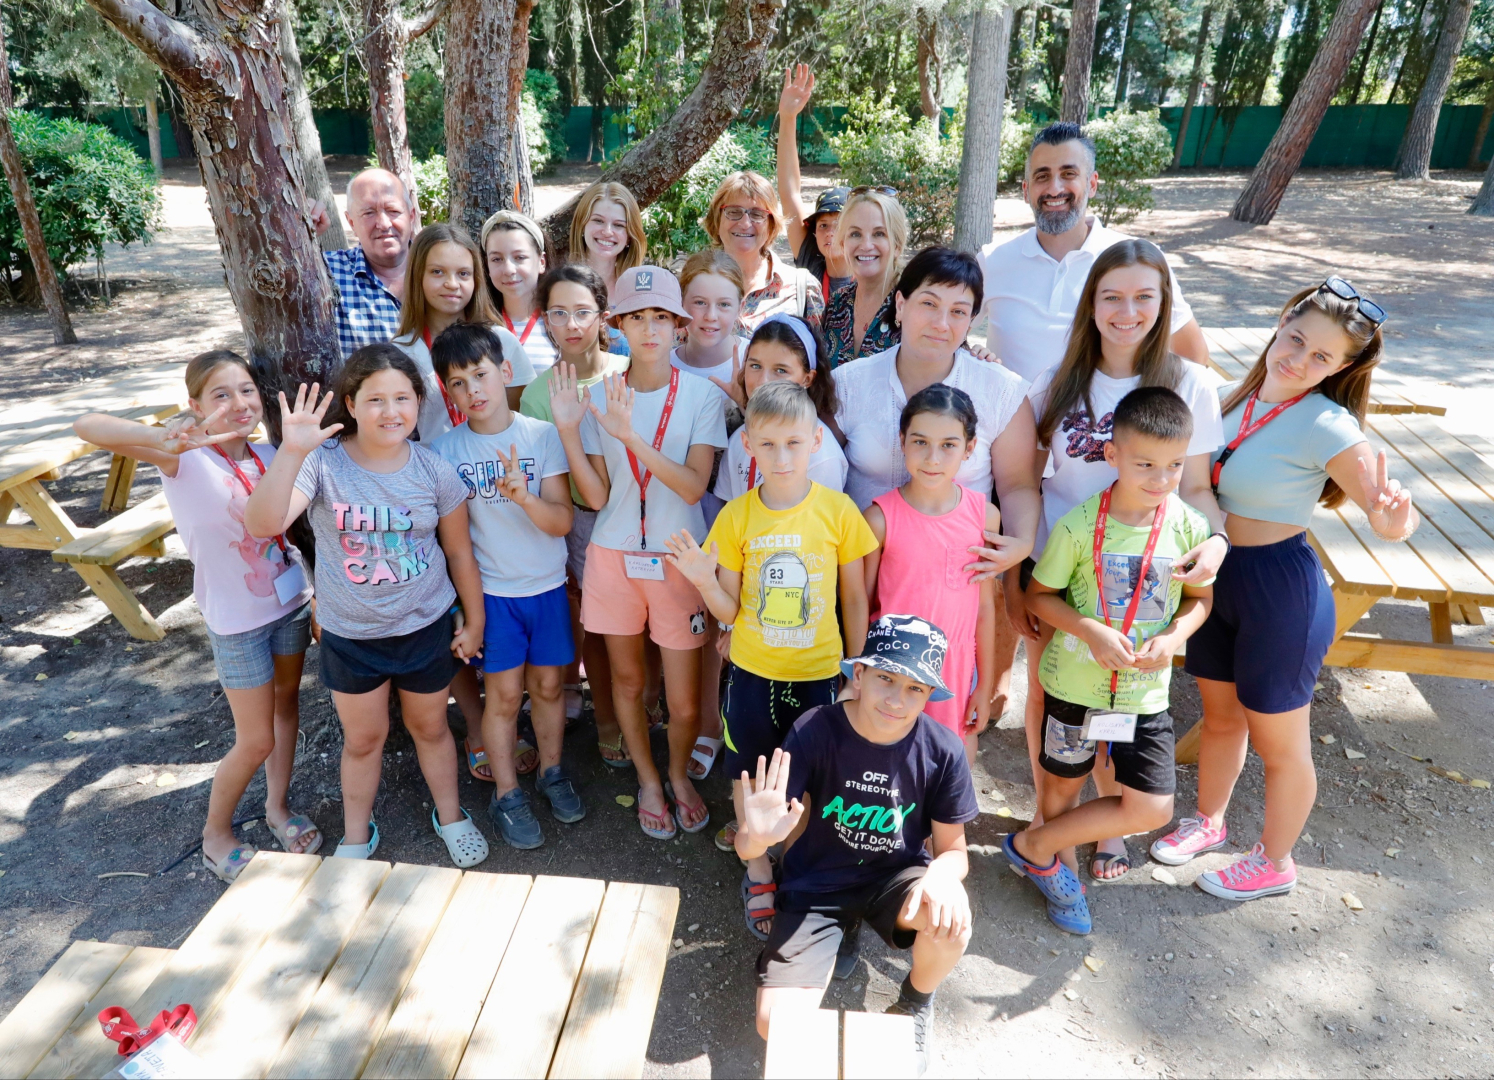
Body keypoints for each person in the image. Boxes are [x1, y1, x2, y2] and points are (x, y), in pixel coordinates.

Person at [1150, 278, 1417, 902]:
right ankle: (1209, 821)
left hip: (1279, 590)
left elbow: (1386, 515)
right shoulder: (1223, 399)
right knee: (1219, 719)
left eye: (1320, 356)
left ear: (1343, 366)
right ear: (1281, 321)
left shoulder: (1328, 423)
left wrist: (1392, 514)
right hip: (1216, 579)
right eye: (1294, 339)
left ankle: (1275, 861)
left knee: (1281, 742)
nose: (1297, 359)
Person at [1014, 238, 1228, 880]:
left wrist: (1215, 542)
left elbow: (1196, 490)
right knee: (1055, 701)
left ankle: (1106, 827)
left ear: (1164, 304)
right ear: (1092, 303)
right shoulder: (1057, 380)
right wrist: (1014, 580)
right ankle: (1054, 820)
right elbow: (1022, 481)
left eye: (1144, 296)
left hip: (1144, 581)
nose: (1127, 310)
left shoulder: (1189, 383)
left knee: (1125, 702)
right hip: (1060, 571)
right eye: (1112, 296)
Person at [74, 351, 319, 882]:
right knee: (254, 738)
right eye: (221, 395)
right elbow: (85, 425)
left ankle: (277, 808)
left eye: (247, 390)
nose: (239, 403)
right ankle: (217, 834)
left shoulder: (271, 451)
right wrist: (166, 434)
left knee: (286, 710)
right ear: (195, 405)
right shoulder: (182, 457)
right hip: (236, 621)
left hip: (291, 603)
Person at [243, 346, 490, 868]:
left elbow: (460, 552)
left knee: (431, 728)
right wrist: (290, 452)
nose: (391, 410)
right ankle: (358, 833)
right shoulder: (321, 464)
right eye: (375, 399)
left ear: (420, 403)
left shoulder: (434, 470)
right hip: (351, 635)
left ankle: (450, 815)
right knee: (363, 738)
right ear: (351, 404)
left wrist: (475, 618)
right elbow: (263, 524)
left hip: (424, 627)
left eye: (402, 397)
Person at [665, 380, 877, 938]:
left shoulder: (838, 512)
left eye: (793, 443)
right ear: (748, 449)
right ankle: (757, 866)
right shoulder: (735, 517)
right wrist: (701, 579)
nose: (780, 457)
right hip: (755, 672)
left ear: (815, 443)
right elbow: (730, 612)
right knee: (749, 767)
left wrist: (855, 670)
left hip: (820, 674)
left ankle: (802, 862)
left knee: (817, 773)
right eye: (768, 445)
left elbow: (854, 597)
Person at [1007, 387, 1215, 935]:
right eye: (1145, 463)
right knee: (1060, 792)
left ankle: (1032, 846)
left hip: (1146, 697)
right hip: (1074, 689)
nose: (1161, 478)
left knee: (1152, 807)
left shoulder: (1190, 528)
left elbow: (1200, 603)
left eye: (1174, 465)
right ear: (1112, 455)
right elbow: (1040, 596)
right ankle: (1060, 876)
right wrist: (1089, 629)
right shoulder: (1078, 526)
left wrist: (1174, 638)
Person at [739, 615, 978, 1077]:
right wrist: (759, 839)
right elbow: (752, 843)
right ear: (859, 674)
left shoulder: (943, 749)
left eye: (915, 688)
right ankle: (839, 931)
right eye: (886, 678)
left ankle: (915, 1003)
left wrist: (943, 877)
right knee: (776, 1025)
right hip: (817, 884)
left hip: (897, 879)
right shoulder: (814, 729)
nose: (896, 699)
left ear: (930, 695)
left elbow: (954, 849)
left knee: (952, 922)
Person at [549, 265, 727, 839]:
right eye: (636, 317)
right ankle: (650, 780)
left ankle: (678, 775)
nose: (649, 329)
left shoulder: (702, 396)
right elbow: (597, 495)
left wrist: (629, 436)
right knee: (626, 683)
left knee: (681, 698)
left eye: (661, 317)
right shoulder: (599, 397)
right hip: (612, 555)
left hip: (680, 559)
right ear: (617, 324)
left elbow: (693, 486)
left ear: (679, 326)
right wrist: (573, 432)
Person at [836, 247, 1038, 732]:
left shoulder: (1000, 391)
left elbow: (1017, 484)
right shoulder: (848, 384)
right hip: (861, 580)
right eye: (928, 303)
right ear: (900, 304)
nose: (941, 323)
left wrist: (1023, 542)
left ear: (973, 319)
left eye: (959, 311)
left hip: (944, 589)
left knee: (942, 727)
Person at [430, 323, 582, 850]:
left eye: (481, 374)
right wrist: (466, 615)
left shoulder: (540, 436)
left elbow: (562, 520)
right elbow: (452, 546)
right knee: (502, 698)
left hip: (545, 590)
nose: (473, 390)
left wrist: (525, 498)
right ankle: (508, 794)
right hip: (493, 598)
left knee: (547, 689)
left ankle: (554, 772)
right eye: (457, 382)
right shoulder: (443, 452)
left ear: (505, 372)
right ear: (446, 391)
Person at [691, 315, 848, 789]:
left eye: (781, 370)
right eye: (755, 366)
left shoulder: (817, 457)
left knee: (799, 747)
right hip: (748, 615)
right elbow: (730, 530)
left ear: (807, 378)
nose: (763, 380)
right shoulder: (747, 441)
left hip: (800, 629)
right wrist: (731, 623)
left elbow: (819, 560)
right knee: (752, 730)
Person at [978, 122, 1210, 383]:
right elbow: (942, 333)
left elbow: (1193, 354)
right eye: (1042, 176)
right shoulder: (993, 261)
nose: (1054, 189)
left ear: (1092, 184)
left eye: (1068, 174)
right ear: (1026, 190)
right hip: (1010, 422)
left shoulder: (1139, 261)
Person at [522, 264, 631, 766]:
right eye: (559, 313)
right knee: (597, 629)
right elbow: (549, 477)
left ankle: (642, 707)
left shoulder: (625, 371)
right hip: (579, 522)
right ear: (545, 319)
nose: (571, 324)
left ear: (603, 317)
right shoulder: (537, 394)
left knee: (636, 629)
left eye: (582, 312)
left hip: (634, 516)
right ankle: (606, 718)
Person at [864, 385, 999, 762]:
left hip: (954, 672)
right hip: (891, 671)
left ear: (970, 448)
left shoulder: (984, 517)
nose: (933, 458)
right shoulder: (879, 519)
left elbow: (984, 609)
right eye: (920, 442)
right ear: (903, 440)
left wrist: (983, 685)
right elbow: (864, 604)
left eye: (949, 445)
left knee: (949, 762)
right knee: (886, 763)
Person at [391, 223, 535, 441]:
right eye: (437, 272)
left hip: (500, 466)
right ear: (417, 276)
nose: (452, 284)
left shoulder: (501, 340)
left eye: (463, 273)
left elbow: (522, 415)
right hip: (433, 469)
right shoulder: (400, 352)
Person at [703, 171, 824, 333]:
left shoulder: (803, 288)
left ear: (771, 225)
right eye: (733, 212)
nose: (745, 223)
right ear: (717, 220)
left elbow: (818, 356)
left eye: (757, 214)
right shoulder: (693, 287)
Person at [317, 168, 418, 358]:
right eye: (369, 213)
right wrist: (297, 229)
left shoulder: (440, 270)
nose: (384, 223)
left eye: (393, 210)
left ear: (411, 216)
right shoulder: (327, 272)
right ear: (352, 223)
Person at [774, 64, 852, 300]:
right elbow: (790, 193)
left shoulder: (875, 277)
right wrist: (788, 118)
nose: (830, 233)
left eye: (839, 225)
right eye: (823, 226)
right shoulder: (811, 264)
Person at [821, 187, 909, 369]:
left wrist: (980, 353)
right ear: (843, 243)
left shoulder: (916, 304)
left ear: (897, 245)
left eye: (879, 234)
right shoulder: (837, 304)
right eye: (855, 234)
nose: (866, 245)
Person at [568, 180, 648, 357]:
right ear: (582, 225)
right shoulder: (560, 287)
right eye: (598, 221)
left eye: (619, 225)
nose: (607, 231)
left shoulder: (641, 294)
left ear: (629, 236)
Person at [481, 210, 557, 376]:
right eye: (496, 259)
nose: (508, 269)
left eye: (519, 257)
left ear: (541, 262)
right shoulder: (478, 326)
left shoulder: (560, 321)